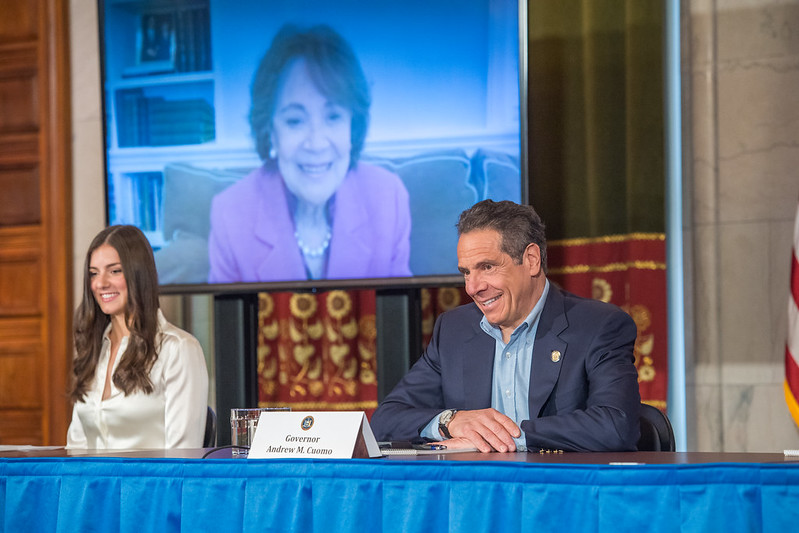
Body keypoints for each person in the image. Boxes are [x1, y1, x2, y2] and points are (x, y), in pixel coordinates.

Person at [370, 200, 641, 452]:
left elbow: (616, 425)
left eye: (487, 267)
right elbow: (386, 419)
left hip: (560, 493)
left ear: (531, 260)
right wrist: (450, 421)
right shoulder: (454, 329)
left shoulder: (598, 326)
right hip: (476, 493)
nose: (473, 287)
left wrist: (507, 436)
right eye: (466, 272)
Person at [208, 24, 412, 283]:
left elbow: (399, 309)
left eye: (333, 116)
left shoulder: (388, 199)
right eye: (295, 120)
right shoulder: (230, 212)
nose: (316, 143)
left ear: (353, 126)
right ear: (270, 130)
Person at [66, 225, 209, 449]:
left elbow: (182, 457)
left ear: (138, 275)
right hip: (91, 484)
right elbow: (76, 447)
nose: (100, 283)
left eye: (114, 271)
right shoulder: (93, 349)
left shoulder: (178, 349)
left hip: (153, 484)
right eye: (94, 273)